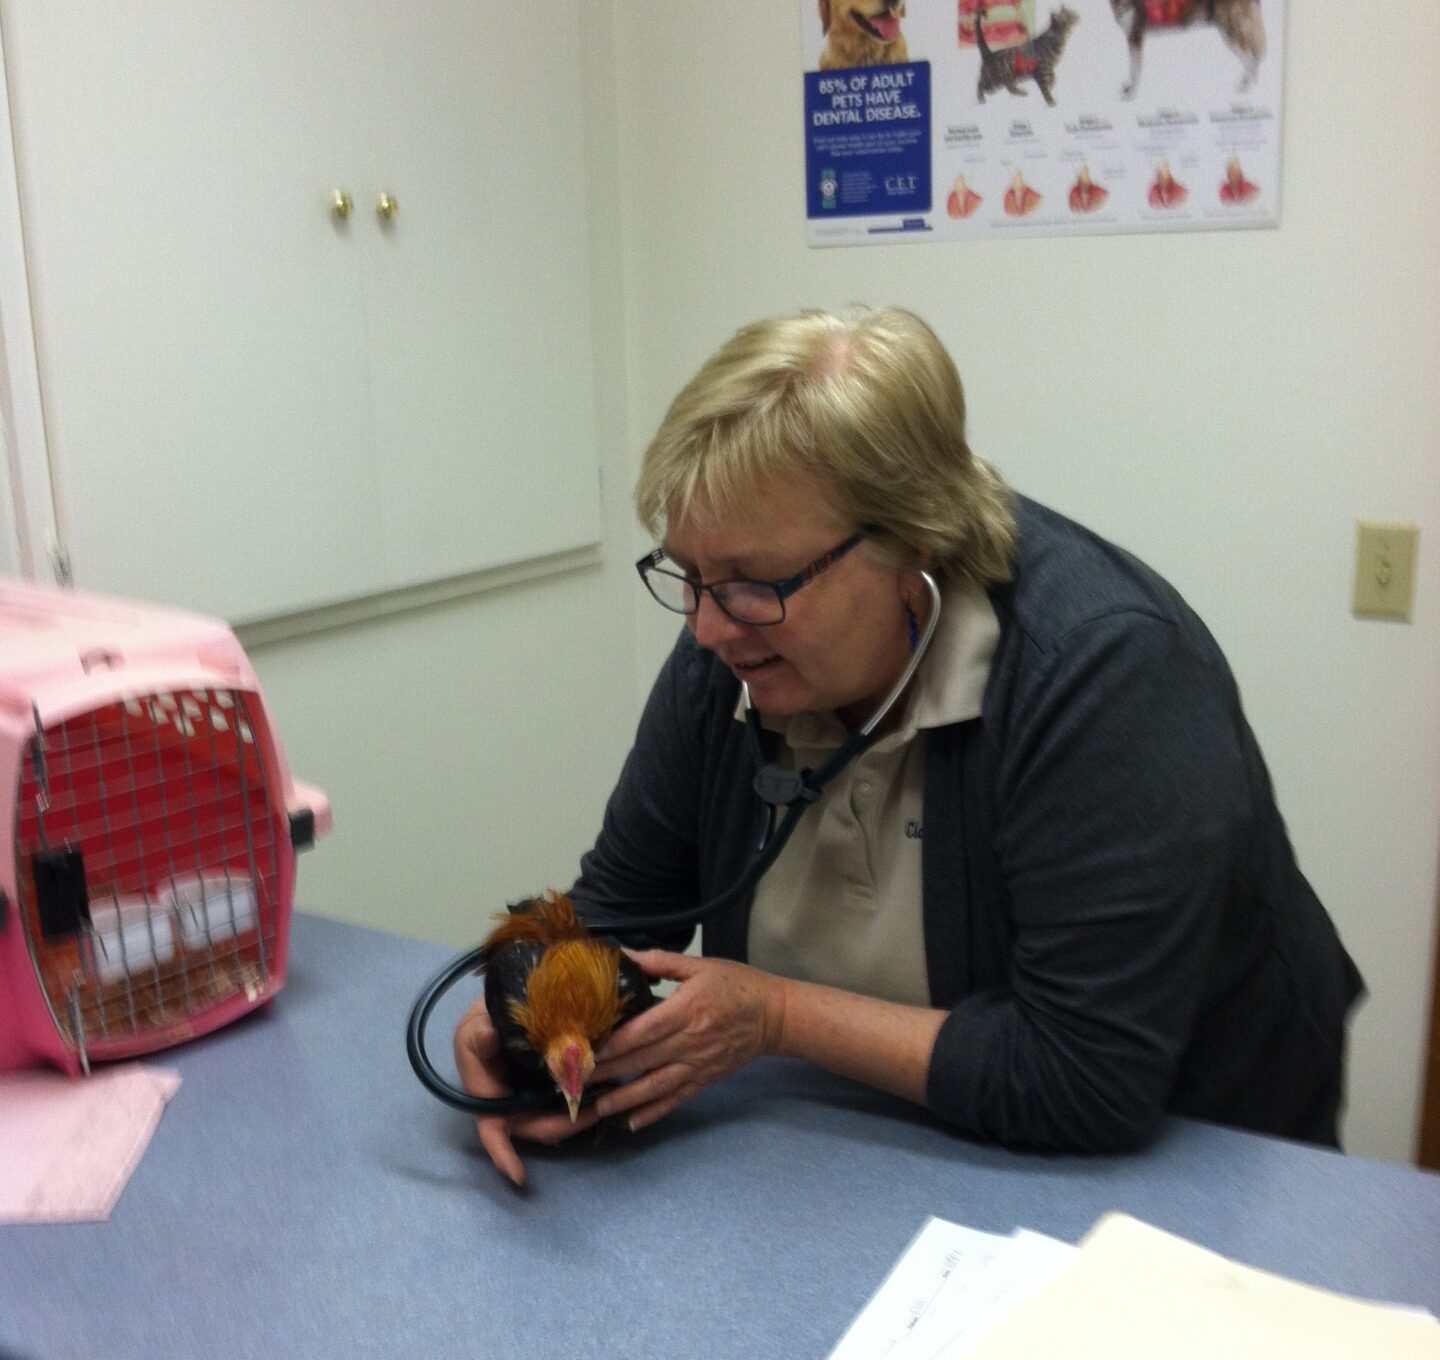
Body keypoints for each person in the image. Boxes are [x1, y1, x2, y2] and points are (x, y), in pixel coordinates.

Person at [454, 305, 1363, 1187]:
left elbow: (1085, 1077)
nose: (703, 630)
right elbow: (621, 908)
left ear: (910, 541)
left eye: (752, 582)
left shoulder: (1105, 671)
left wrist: (771, 1016)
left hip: (1191, 1164)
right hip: (872, 1156)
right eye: (690, 575)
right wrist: (536, 1014)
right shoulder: (735, 649)